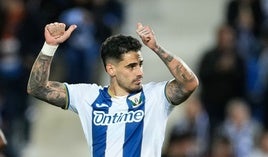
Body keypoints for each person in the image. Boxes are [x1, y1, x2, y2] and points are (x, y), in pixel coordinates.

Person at [27, 22, 199, 157]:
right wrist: (49, 47)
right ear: (111, 69)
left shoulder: (155, 96)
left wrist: (156, 48)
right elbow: (37, 88)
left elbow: (189, 83)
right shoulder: (89, 96)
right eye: (131, 66)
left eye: (140, 64)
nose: (140, 72)